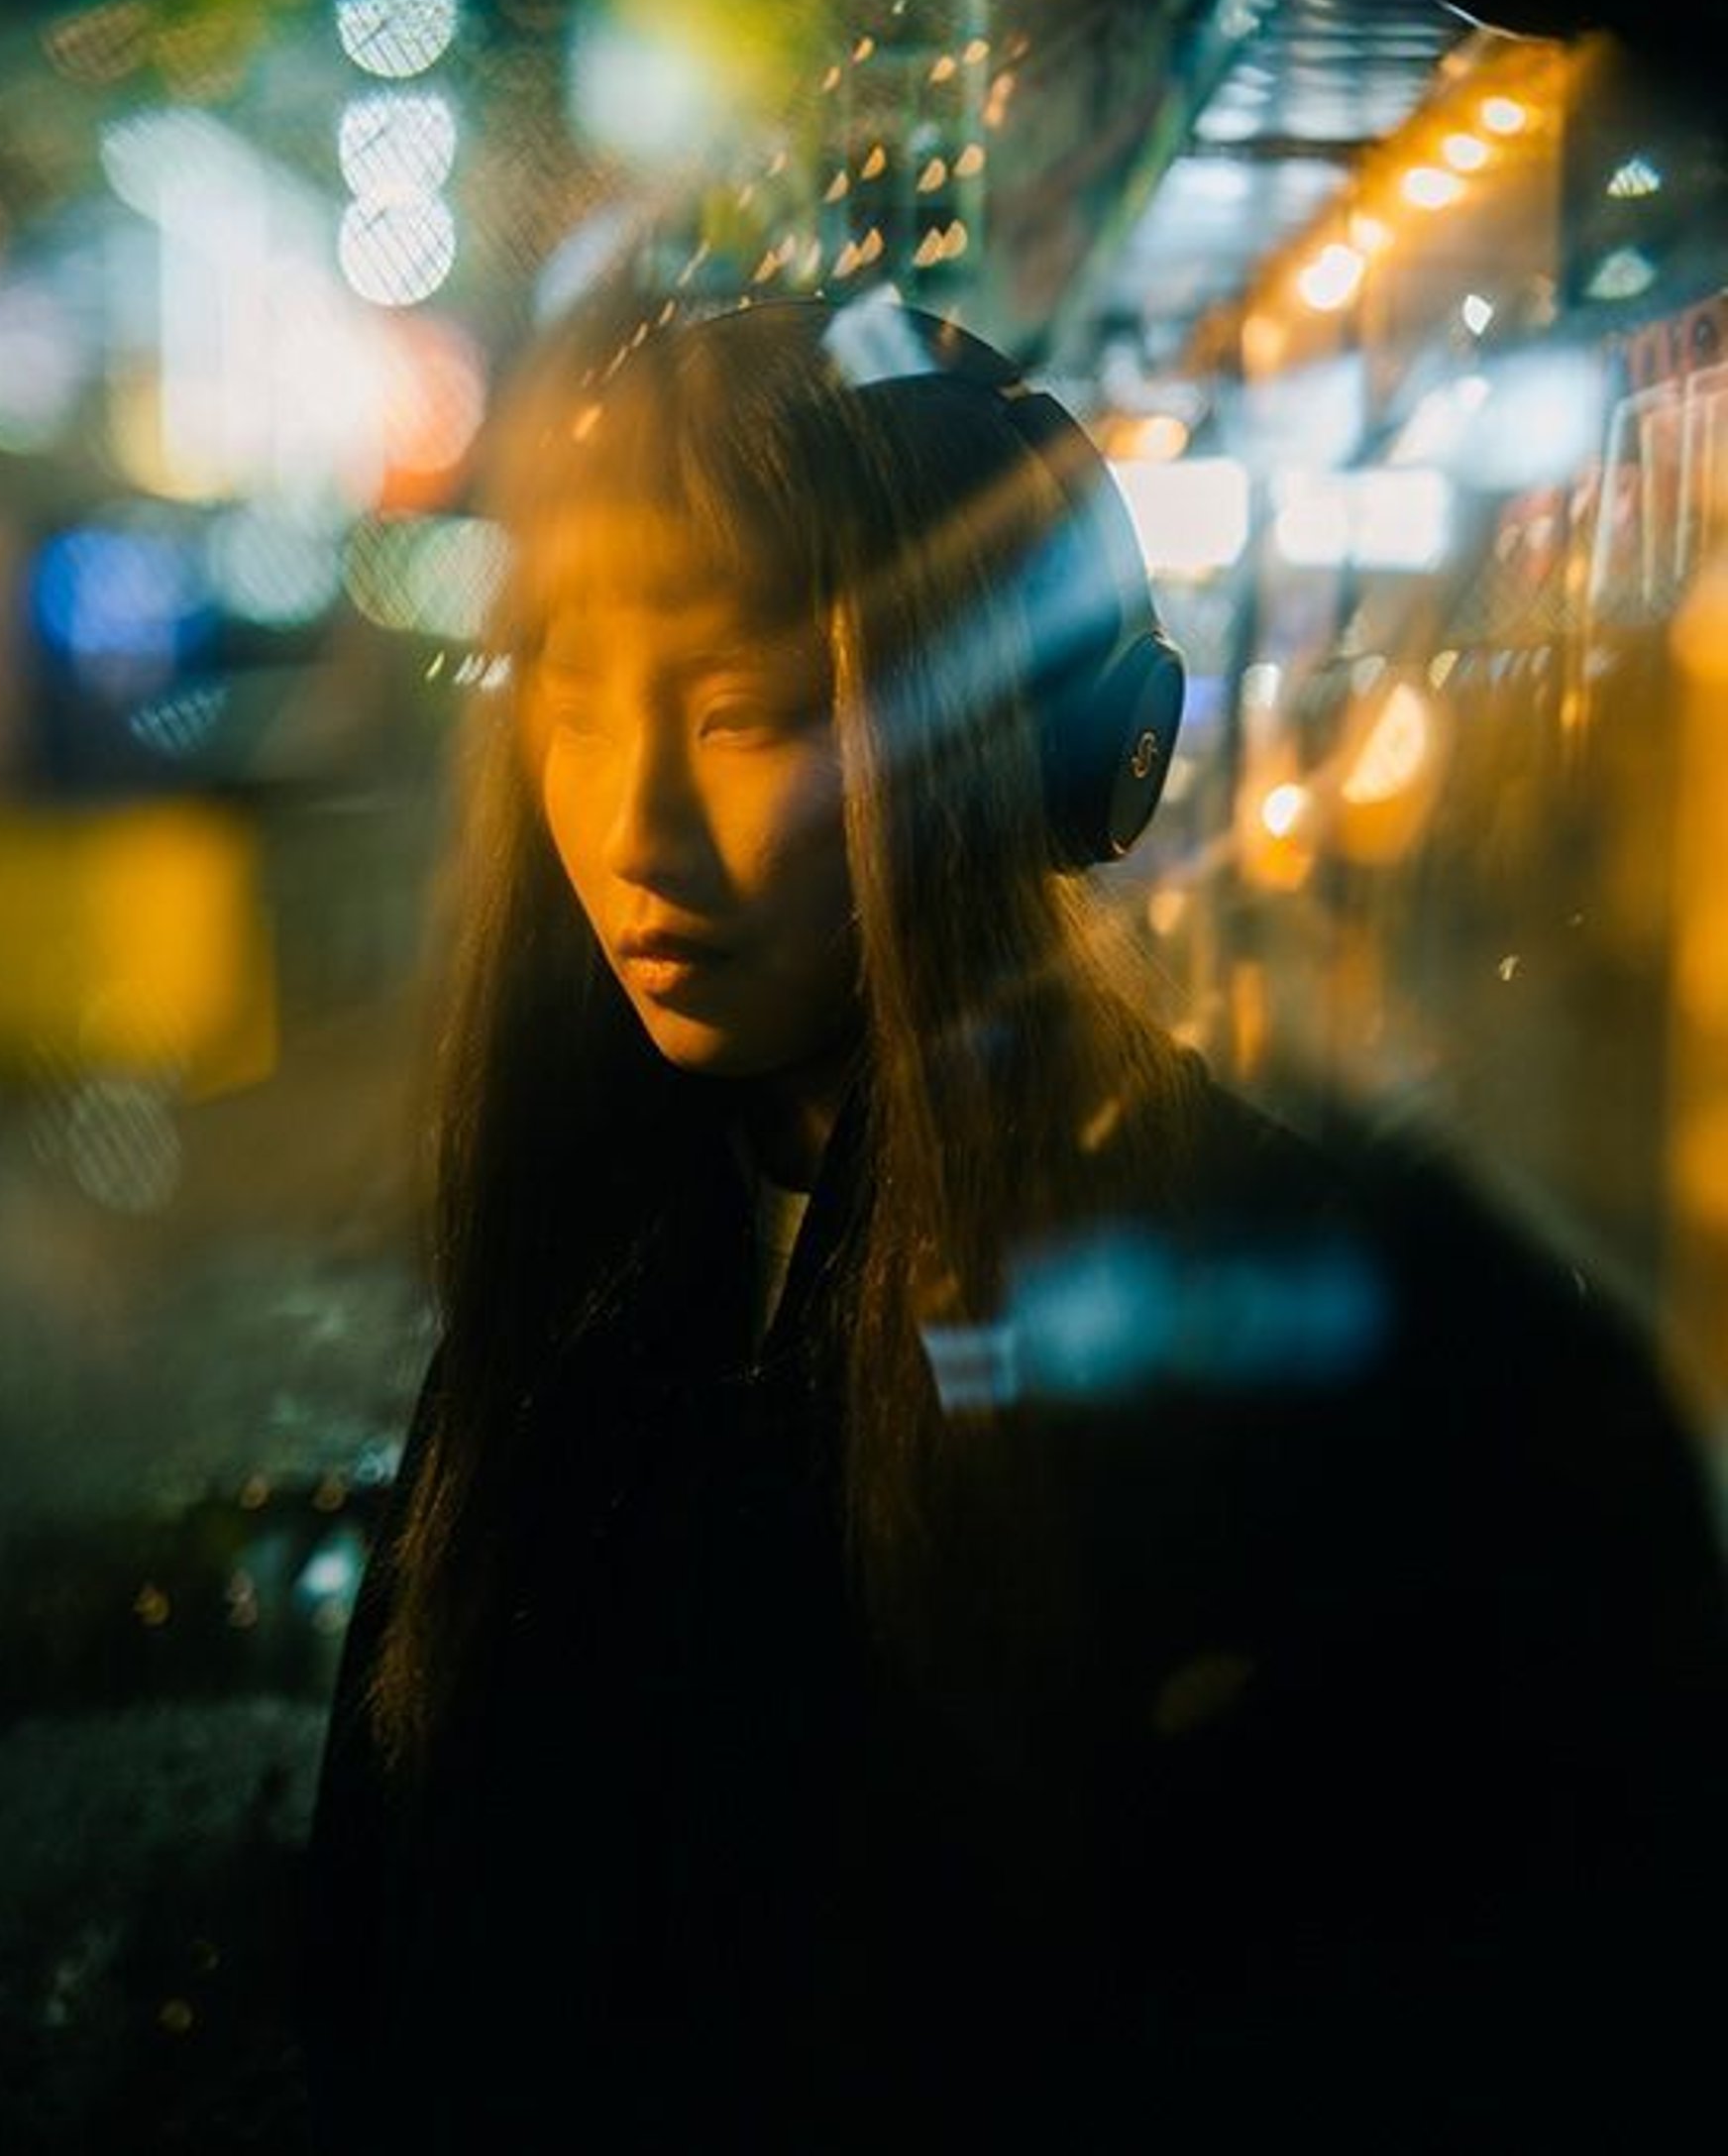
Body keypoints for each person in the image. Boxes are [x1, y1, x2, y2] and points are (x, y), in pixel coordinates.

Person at [302, 282, 1728, 2153]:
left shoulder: (1316, 1333)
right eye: (576, 705)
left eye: (742, 710)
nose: (634, 822)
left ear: (1014, 750)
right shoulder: (582, 1278)